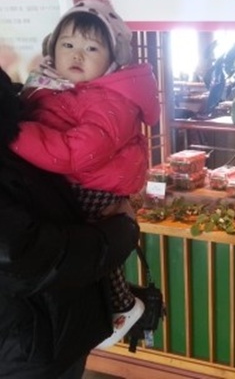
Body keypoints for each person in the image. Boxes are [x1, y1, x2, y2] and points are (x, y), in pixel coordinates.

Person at [9, 0, 160, 348]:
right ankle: (118, 305)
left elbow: (78, 153)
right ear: (52, 48)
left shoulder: (111, 100)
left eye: (91, 48)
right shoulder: (56, 86)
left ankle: (121, 306)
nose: (77, 54)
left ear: (112, 60)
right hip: (77, 178)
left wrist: (15, 134)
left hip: (93, 183)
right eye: (67, 44)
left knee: (91, 249)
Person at [0, 66, 141, 378]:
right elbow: (24, 255)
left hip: (57, 330)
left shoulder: (16, 109)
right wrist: (119, 232)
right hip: (25, 347)